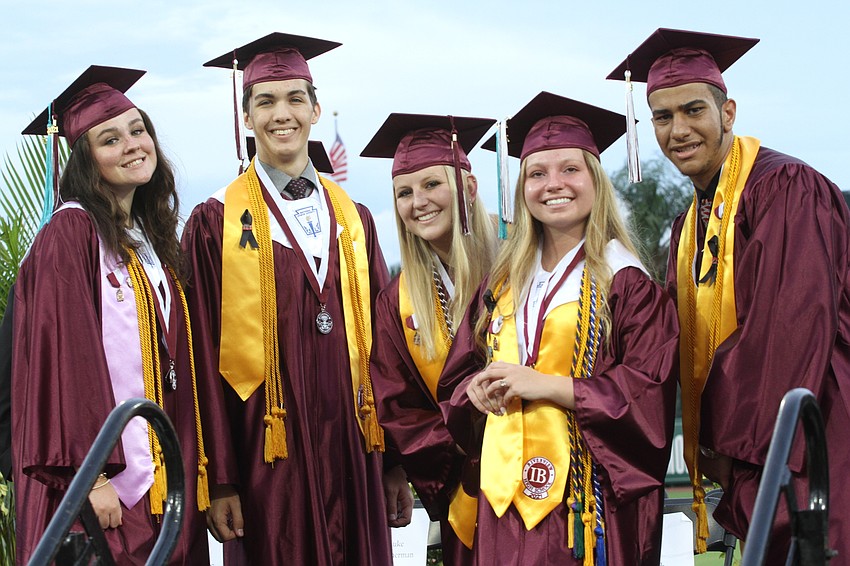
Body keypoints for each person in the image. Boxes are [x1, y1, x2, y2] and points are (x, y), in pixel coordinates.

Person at [609, 28, 850, 562]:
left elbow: (785, 330)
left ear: (729, 111)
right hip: (757, 449)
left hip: (817, 433)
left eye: (693, 110)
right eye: (663, 117)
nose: (679, 130)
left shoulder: (786, 188)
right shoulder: (687, 225)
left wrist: (725, 441)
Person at [183, 33, 410, 565]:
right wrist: (220, 479)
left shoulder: (355, 218)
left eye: (293, 99)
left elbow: (386, 349)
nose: (280, 114)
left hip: (356, 453)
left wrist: (395, 463)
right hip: (268, 458)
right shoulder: (215, 222)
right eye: (265, 101)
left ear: (315, 108)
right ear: (245, 117)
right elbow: (202, 358)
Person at [438, 92, 679, 565]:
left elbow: (647, 395)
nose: (554, 184)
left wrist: (544, 385)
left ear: (595, 179)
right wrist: (476, 389)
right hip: (503, 506)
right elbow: (455, 378)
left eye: (570, 169)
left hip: (587, 507)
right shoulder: (501, 284)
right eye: (537, 173)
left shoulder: (625, 282)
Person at [12, 66, 211, 565]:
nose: (132, 145)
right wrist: (91, 476)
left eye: (138, 130)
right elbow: (64, 359)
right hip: (103, 490)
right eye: (110, 139)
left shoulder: (148, 243)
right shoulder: (72, 233)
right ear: (85, 161)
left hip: (159, 485)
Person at [362, 113, 498, 563]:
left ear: (469, 188)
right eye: (404, 192)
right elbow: (398, 407)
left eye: (431, 185)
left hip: (544, 471)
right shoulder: (396, 302)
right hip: (468, 487)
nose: (418, 202)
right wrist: (462, 442)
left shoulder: (520, 256)